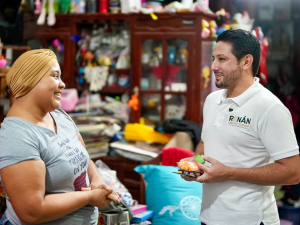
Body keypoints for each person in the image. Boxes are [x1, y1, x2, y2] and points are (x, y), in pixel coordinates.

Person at [181, 29, 300, 225]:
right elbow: (205, 142)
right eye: (213, 59)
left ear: (246, 62)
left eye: (222, 59)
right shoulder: (212, 100)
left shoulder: (270, 108)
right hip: (209, 217)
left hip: (251, 220)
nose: (213, 66)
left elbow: (293, 172)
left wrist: (229, 173)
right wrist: (196, 164)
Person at [0, 49, 120, 225]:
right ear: (29, 81)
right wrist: (88, 197)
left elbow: (85, 160)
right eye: (55, 76)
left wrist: (96, 180)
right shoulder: (17, 136)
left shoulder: (59, 115)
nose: (63, 84)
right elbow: (32, 211)